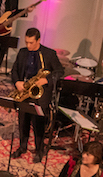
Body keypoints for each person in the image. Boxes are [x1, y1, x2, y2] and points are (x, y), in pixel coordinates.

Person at [11, 28, 65, 163]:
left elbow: (60, 71)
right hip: (25, 91)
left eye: (31, 43)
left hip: (40, 94)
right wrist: (17, 82)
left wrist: (46, 80)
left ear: (38, 40)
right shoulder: (23, 52)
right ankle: (22, 147)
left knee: (38, 124)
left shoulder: (49, 54)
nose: (28, 46)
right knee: (23, 122)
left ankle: (39, 150)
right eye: (26, 42)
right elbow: (14, 70)